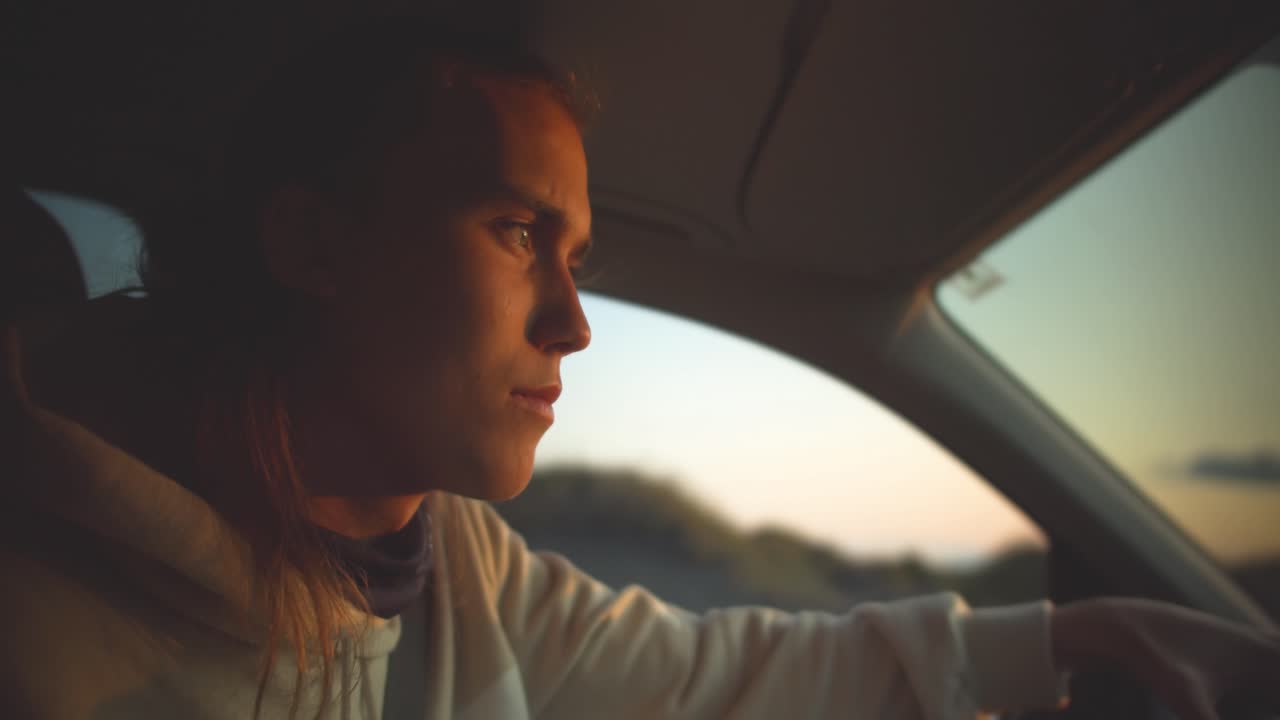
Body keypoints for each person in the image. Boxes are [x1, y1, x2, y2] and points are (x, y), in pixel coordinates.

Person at [2, 17, 1277, 720]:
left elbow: (706, 673)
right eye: (515, 233)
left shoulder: (451, 566)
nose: (571, 323)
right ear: (312, 241)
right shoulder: (39, 633)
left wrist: (1071, 635)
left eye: (578, 259)